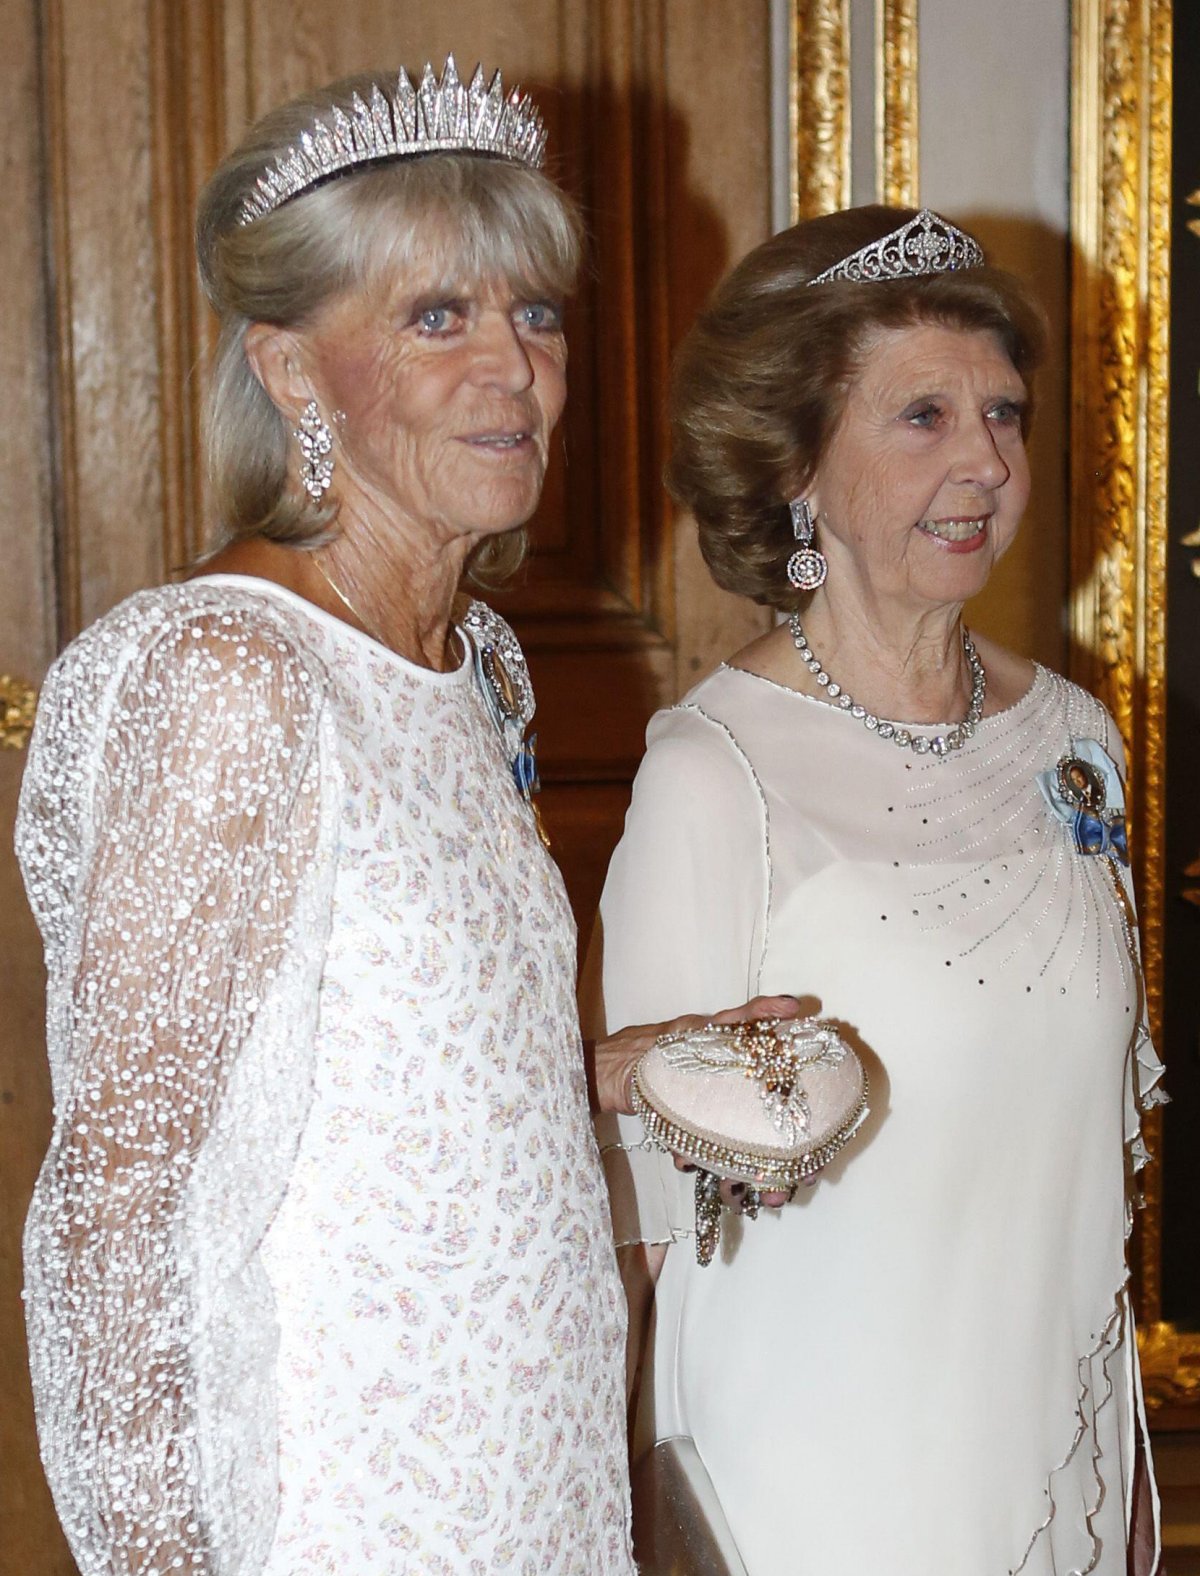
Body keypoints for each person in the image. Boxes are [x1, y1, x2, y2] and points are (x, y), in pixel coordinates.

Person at [14, 60, 792, 1574]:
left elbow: (382, 1081)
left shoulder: (472, 662)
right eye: (438, 316)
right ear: (293, 370)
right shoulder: (231, 676)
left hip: (530, 1467)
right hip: (349, 1510)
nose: (516, 368)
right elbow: (121, 1214)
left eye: (538, 312)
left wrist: (621, 1070)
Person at [591, 207, 1166, 1575]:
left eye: (1005, 413)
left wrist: (1124, 1464)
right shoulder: (712, 774)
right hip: (812, 1485)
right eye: (921, 416)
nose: (985, 460)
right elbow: (651, 1239)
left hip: (1055, 1456)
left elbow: (1103, 1156)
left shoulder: (1078, 743)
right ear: (797, 468)